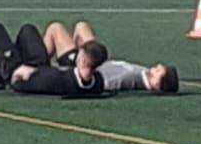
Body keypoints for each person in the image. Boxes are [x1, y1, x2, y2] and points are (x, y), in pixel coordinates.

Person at [0, 22, 108, 97]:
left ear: (82, 61)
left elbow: (39, 83)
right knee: (28, 30)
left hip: (21, 76)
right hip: (40, 68)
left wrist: (21, 74)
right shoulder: (97, 81)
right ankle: (0, 71)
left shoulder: (58, 79)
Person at [43, 20, 180, 94]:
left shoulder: (132, 80)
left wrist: (80, 67)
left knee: (56, 28)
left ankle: (37, 66)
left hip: (85, 66)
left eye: (158, 71)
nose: (156, 67)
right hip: (93, 61)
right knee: (81, 26)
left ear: (157, 84)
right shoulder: (143, 74)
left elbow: (105, 83)